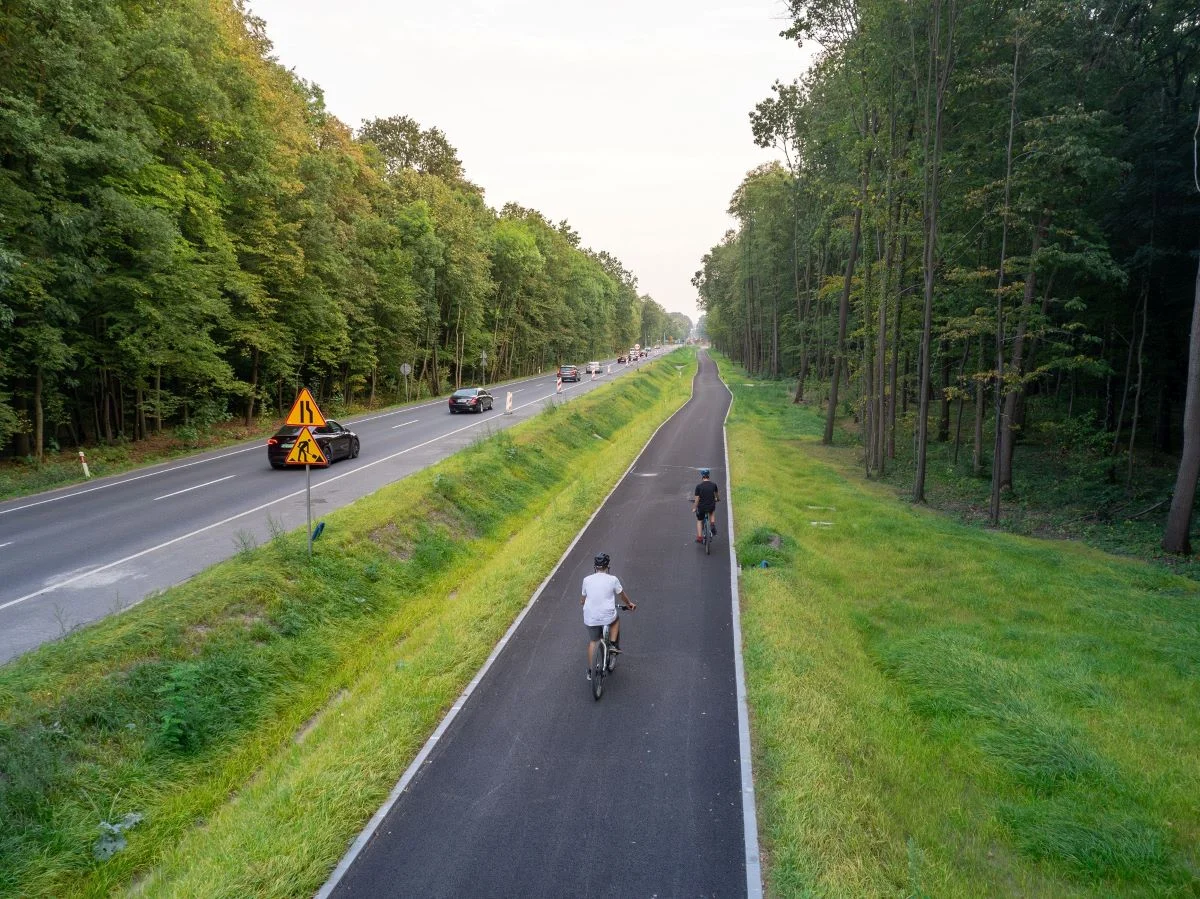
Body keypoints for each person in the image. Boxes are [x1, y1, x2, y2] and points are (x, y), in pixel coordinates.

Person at [580, 552, 635, 679]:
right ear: (607, 566)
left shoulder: (586, 580)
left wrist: (582, 602)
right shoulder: (613, 579)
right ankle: (613, 644)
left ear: (595, 566)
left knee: (593, 641)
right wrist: (629, 604)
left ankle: (590, 671)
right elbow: (622, 595)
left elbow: (583, 599)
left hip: (590, 617)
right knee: (615, 620)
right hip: (607, 615)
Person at [693, 468, 719, 542]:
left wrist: (694, 508)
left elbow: (697, 499)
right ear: (708, 475)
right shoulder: (714, 485)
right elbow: (717, 495)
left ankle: (699, 537)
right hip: (710, 506)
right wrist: (717, 499)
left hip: (702, 507)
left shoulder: (698, 486)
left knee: (699, 520)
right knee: (712, 511)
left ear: (702, 476)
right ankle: (712, 524)